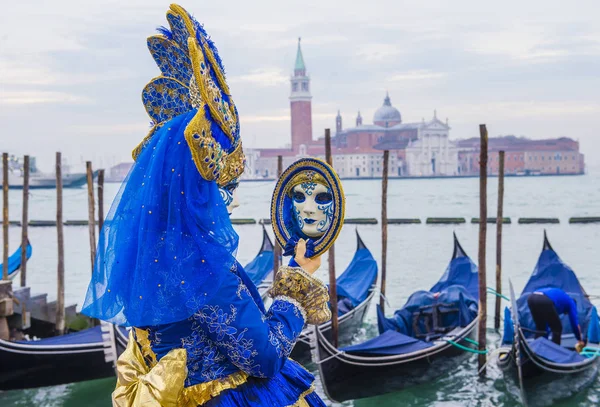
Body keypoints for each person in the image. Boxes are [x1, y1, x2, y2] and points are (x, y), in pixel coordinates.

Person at [81, 4, 331, 406]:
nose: (221, 198)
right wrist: (296, 286)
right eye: (217, 186)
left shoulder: (147, 252)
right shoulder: (201, 265)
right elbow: (263, 356)